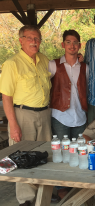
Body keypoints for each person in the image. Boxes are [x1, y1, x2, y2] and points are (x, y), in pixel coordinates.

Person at [0, 25, 53, 206]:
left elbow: (62, 70)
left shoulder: (44, 60)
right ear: (21, 40)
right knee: (21, 155)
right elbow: (6, 97)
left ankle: (42, 193)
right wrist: (13, 124)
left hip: (45, 114)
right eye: (30, 38)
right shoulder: (12, 64)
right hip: (23, 114)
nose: (34, 41)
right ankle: (26, 200)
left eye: (37, 38)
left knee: (43, 154)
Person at [49, 30, 89, 140]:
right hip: (59, 117)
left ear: (79, 45)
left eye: (75, 42)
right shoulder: (53, 65)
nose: (72, 45)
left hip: (80, 116)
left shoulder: (85, 67)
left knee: (79, 151)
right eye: (68, 42)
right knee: (62, 151)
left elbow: (87, 89)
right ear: (63, 44)